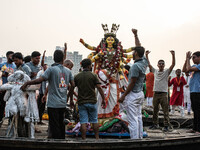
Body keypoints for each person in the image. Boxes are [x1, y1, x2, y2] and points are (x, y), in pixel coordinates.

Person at [21, 50, 75, 139]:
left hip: (53, 103)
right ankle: (61, 140)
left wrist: (27, 83)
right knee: (61, 123)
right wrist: (70, 98)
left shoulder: (51, 69)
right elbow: (73, 85)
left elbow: (40, 80)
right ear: (63, 59)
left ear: (54, 58)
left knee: (54, 124)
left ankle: (56, 142)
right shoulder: (68, 71)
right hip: (63, 102)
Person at [118, 46, 148, 139]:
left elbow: (132, 82)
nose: (132, 54)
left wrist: (124, 96)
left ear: (135, 53)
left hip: (133, 94)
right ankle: (139, 138)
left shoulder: (135, 66)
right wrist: (135, 35)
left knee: (132, 120)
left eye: (133, 52)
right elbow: (140, 47)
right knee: (138, 117)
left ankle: (134, 139)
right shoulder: (144, 62)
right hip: (140, 93)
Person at [74, 58, 105, 140]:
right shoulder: (93, 75)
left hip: (81, 102)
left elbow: (71, 89)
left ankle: (83, 139)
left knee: (83, 121)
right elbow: (99, 88)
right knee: (94, 120)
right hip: (92, 101)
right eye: (91, 65)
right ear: (89, 66)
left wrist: (69, 98)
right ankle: (97, 138)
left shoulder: (77, 76)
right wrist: (104, 99)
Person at [146, 50, 175, 132]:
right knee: (155, 110)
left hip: (163, 94)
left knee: (165, 110)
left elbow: (173, 65)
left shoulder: (166, 72)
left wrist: (173, 55)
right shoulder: (155, 71)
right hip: (155, 93)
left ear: (164, 65)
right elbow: (149, 64)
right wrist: (146, 55)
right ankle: (155, 124)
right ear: (158, 65)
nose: (161, 65)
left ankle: (166, 125)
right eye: (160, 63)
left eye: (163, 63)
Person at [183, 51, 200, 133]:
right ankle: (195, 128)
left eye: (194, 57)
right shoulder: (193, 66)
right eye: (192, 58)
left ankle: (198, 129)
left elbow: (189, 69)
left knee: (198, 111)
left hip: (198, 91)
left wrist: (188, 59)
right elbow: (184, 70)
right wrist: (186, 60)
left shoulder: (199, 66)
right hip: (193, 91)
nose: (192, 59)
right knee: (195, 110)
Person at [0, 51, 16, 124]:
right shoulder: (2, 65)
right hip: (3, 87)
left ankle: (10, 121)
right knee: (1, 105)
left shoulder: (15, 66)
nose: (12, 57)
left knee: (11, 104)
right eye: (11, 56)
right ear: (7, 56)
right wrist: (4, 73)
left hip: (12, 88)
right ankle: (0, 120)